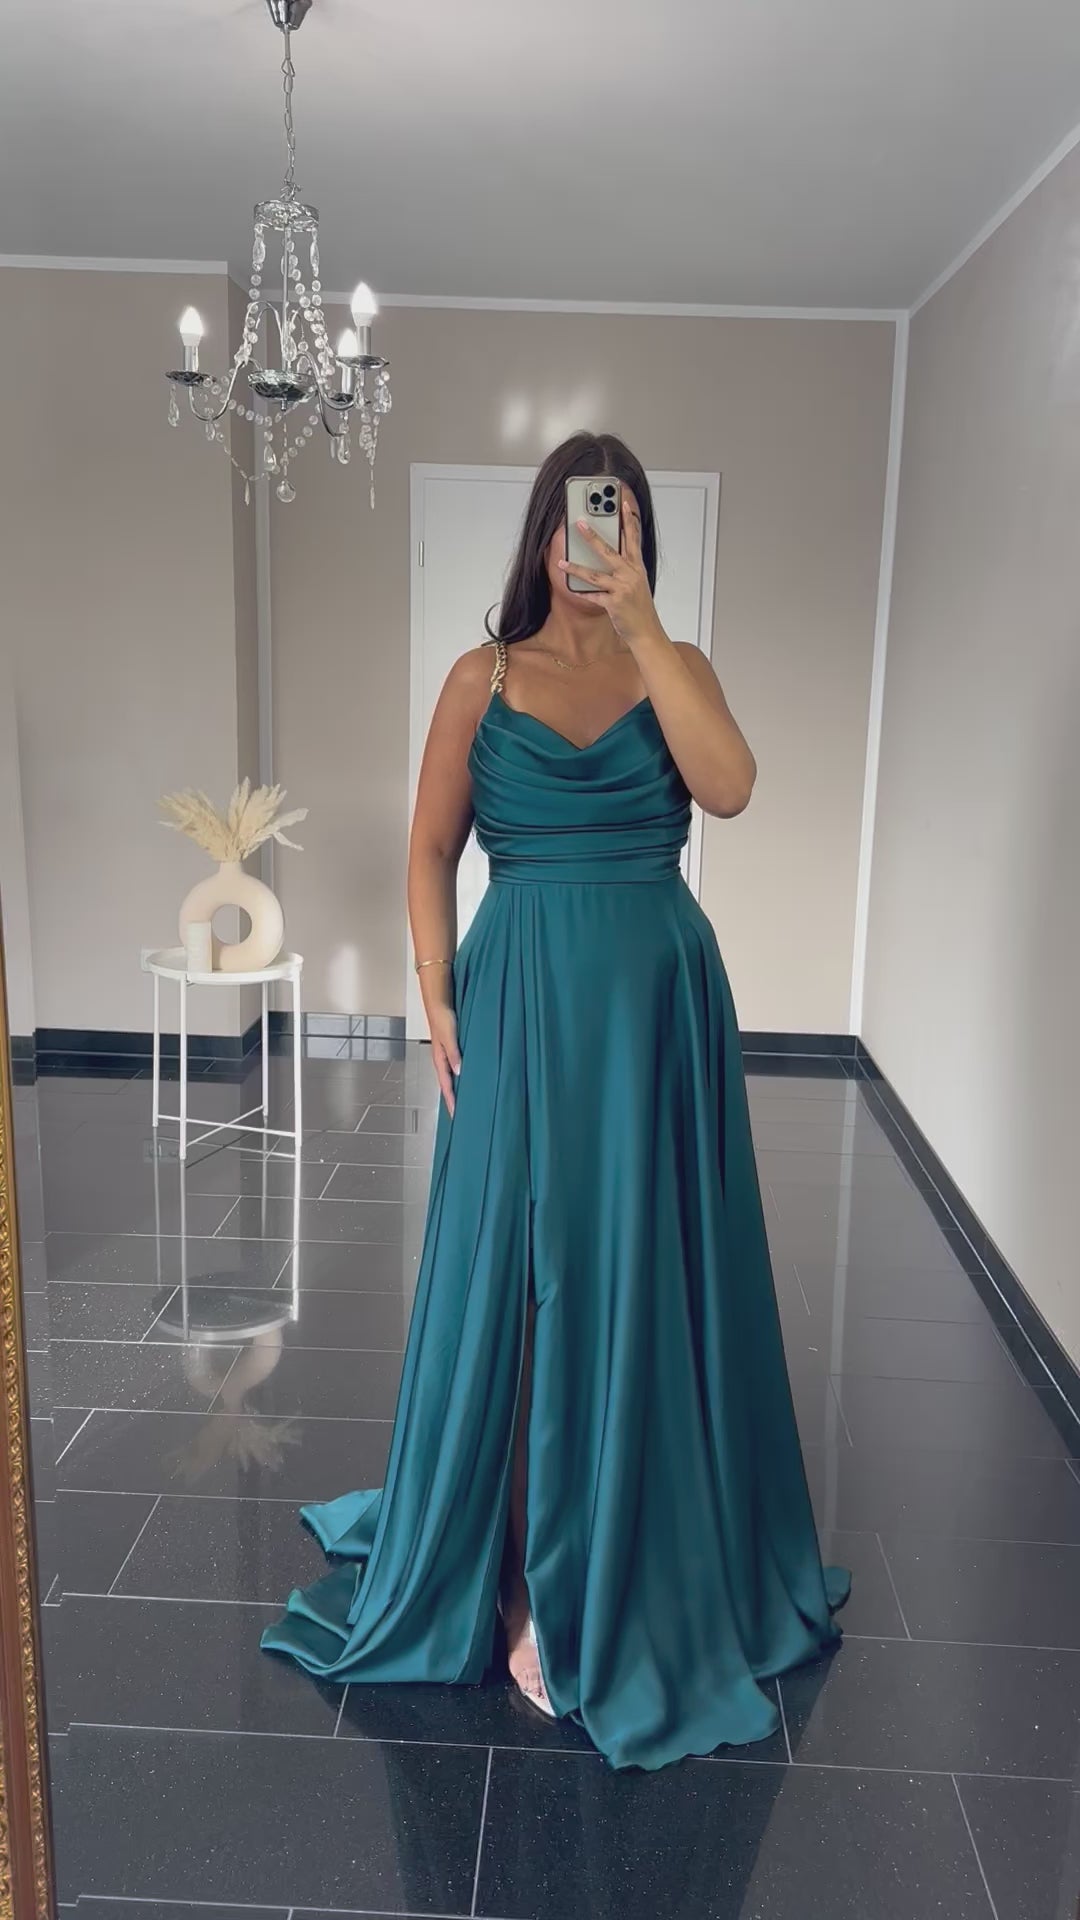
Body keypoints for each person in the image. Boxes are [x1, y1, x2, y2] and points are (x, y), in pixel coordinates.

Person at [262, 430, 850, 1771]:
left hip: (656, 1017)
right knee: (525, 1278)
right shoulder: (481, 680)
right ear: (542, 534)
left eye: (621, 519)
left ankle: (635, 1550)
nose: (598, 538)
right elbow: (428, 849)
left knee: (645, 1271)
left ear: (640, 539)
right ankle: (524, 1576)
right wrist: (434, 995)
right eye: (583, 517)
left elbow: (731, 789)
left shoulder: (676, 666)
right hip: (519, 1004)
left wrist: (642, 626)